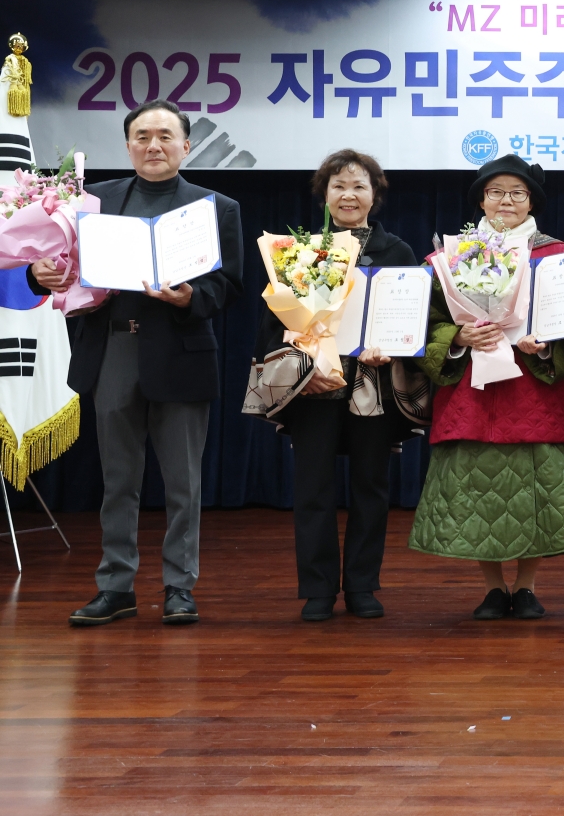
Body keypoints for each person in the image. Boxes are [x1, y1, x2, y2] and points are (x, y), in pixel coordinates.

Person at [29, 100, 244, 626]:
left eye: (166, 136)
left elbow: (231, 285)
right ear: (127, 145)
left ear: (186, 146)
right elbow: (57, 267)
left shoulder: (215, 206)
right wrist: (44, 274)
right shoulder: (92, 202)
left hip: (181, 352)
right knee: (118, 479)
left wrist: (191, 296)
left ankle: (178, 587)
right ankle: (116, 585)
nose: (154, 145)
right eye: (143, 136)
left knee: (183, 483)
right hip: (114, 351)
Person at [408, 155, 564, 620]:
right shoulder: (451, 258)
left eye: (518, 192)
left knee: (535, 493)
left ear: (532, 200)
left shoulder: (558, 256)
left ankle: (527, 586)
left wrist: (546, 346)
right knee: (480, 492)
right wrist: (457, 337)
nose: (506, 201)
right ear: (481, 200)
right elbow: (425, 323)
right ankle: (493, 587)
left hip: (535, 393)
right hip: (473, 391)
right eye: (496, 192)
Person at [247, 150, 427, 623]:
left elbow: (413, 324)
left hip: (374, 387)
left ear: (375, 196)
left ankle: (363, 586)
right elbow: (272, 322)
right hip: (315, 387)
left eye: (359, 186)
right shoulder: (300, 251)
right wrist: (302, 348)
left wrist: (392, 347)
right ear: (324, 195)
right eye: (339, 186)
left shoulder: (398, 252)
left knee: (371, 487)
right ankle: (319, 589)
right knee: (313, 489)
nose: (349, 195)